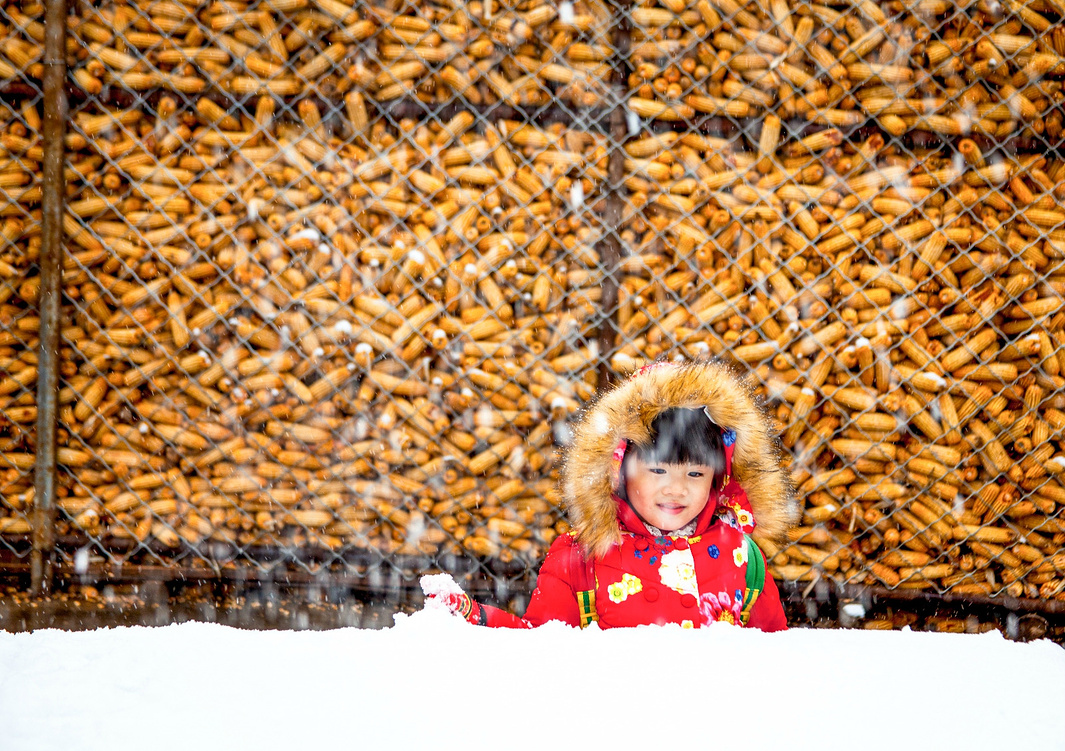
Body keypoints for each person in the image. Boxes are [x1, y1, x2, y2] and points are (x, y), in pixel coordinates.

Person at [425, 358, 800, 630]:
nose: (676, 488)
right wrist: (476, 619)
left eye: (695, 473)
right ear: (619, 470)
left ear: (719, 478)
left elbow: (770, 658)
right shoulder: (582, 558)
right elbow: (539, 647)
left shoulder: (741, 559)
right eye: (657, 470)